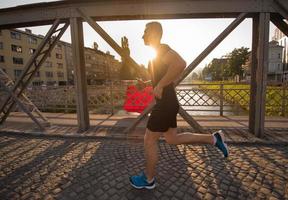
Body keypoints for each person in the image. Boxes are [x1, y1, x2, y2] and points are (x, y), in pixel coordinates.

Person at [129, 21, 229, 190]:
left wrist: (160, 85)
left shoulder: (161, 49)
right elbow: (163, 75)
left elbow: (180, 64)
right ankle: (214, 138)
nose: (142, 35)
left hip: (165, 104)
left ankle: (148, 179)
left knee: (149, 140)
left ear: (154, 33)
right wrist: (148, 83)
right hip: (168, 102)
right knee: (172, 138)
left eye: (145, 32)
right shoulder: (157, 53)